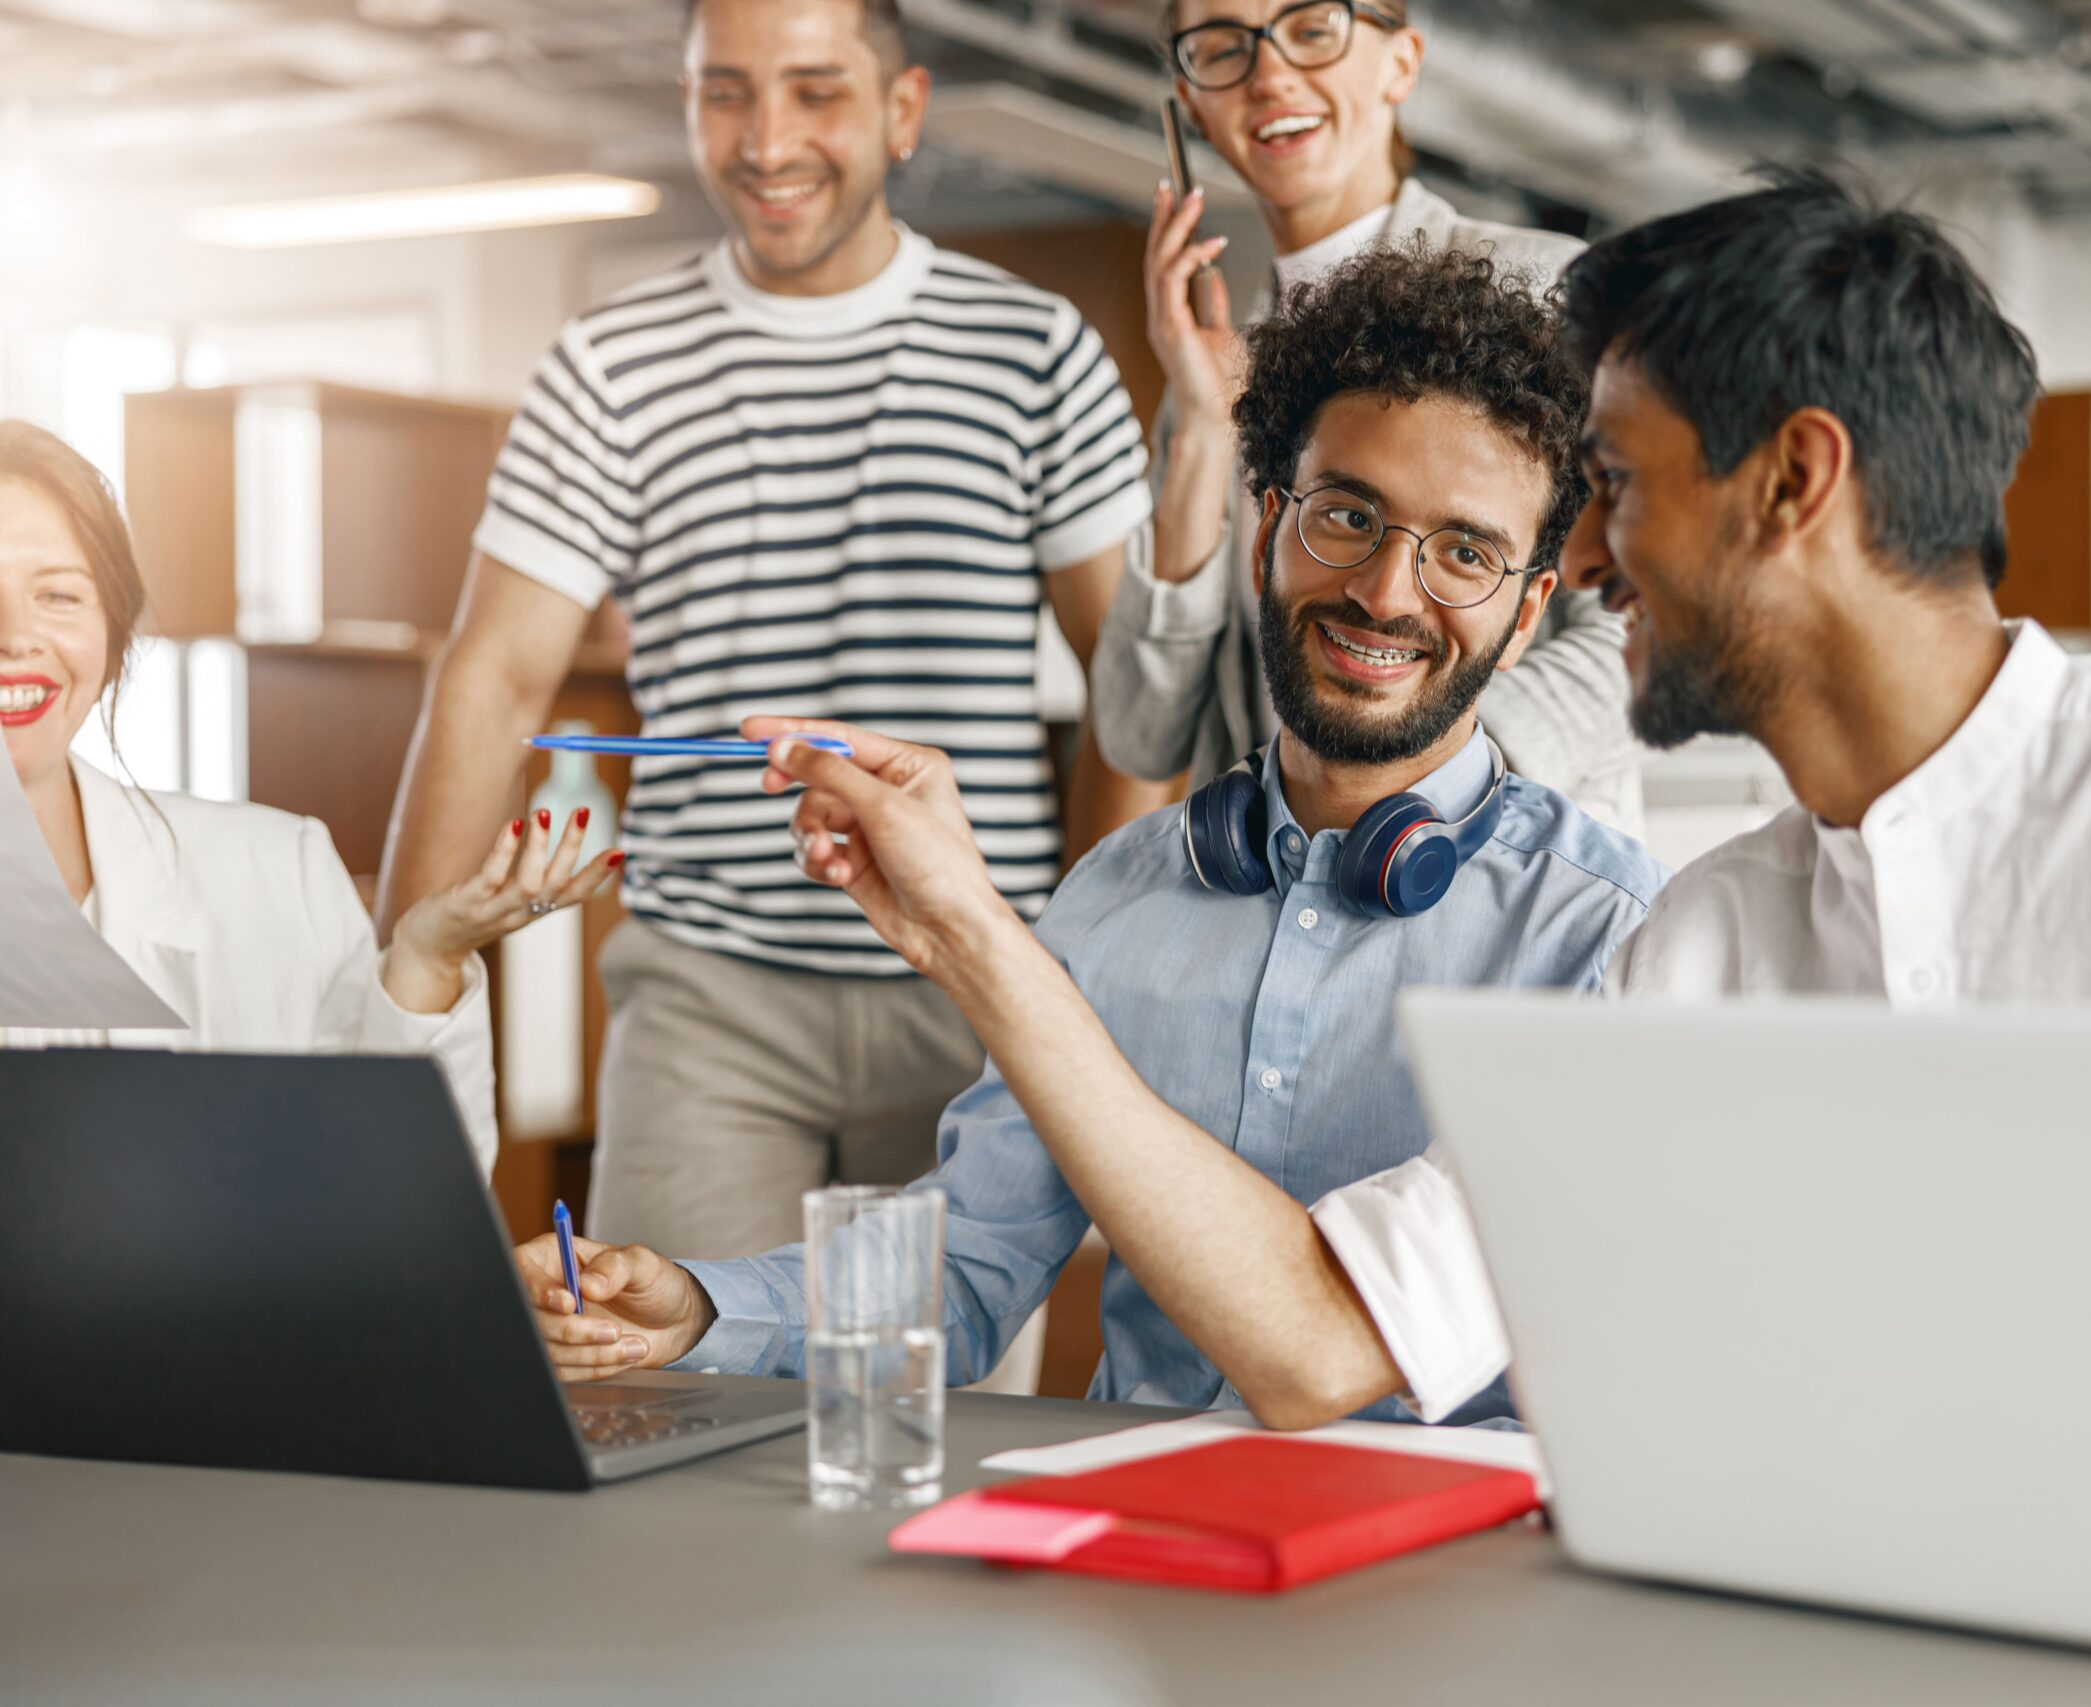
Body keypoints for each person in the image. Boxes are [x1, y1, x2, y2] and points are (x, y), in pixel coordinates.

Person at [1003, 170, 2091, 1515]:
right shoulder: (1711, 949)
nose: (1587, 557)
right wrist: (973, 932)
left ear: (1794, 481)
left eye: (1612, 481)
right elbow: (1326, 1336)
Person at [508, 247, 1665, 1424]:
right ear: (1267, 527)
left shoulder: (1608, 938)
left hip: (1446, 1571)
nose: (1385, 591)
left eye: (1464, 552)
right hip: (1140, 1546)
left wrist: (970, 933)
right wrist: (700, 1307)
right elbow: (965, 1270)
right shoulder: (1121, 895)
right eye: (1347, 515)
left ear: (1526, 616)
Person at [374, 0, 1165, 1259]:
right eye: (725, 92)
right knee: (668, 1394)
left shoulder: (1037, 353)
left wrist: (1068, 962)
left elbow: (1136, 687)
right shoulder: (607, 364)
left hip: (967, 974)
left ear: (902, 113)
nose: (766, 138)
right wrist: (394, 1017)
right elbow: (494, 674)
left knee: (935, 1420)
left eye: (815, 91)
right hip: (708, 994)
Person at [0, 421, 612, 1175]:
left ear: (114, 629)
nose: (14, 636)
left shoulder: (278, 870)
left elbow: (399, 1200)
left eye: (58, 595)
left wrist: (426, 958)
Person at [1089, 0, 1644, 830]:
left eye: (1312, 30)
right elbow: (1141, 734)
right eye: (1222, 46)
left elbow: (1648, 628)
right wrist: (1205, 424)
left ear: (1401, 62)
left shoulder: (1550, 295)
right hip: (1278, 903)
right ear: (1190, 97)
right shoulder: (1211, 363)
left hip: (1503, 885)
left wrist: (1388, 798)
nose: (1270, 74)